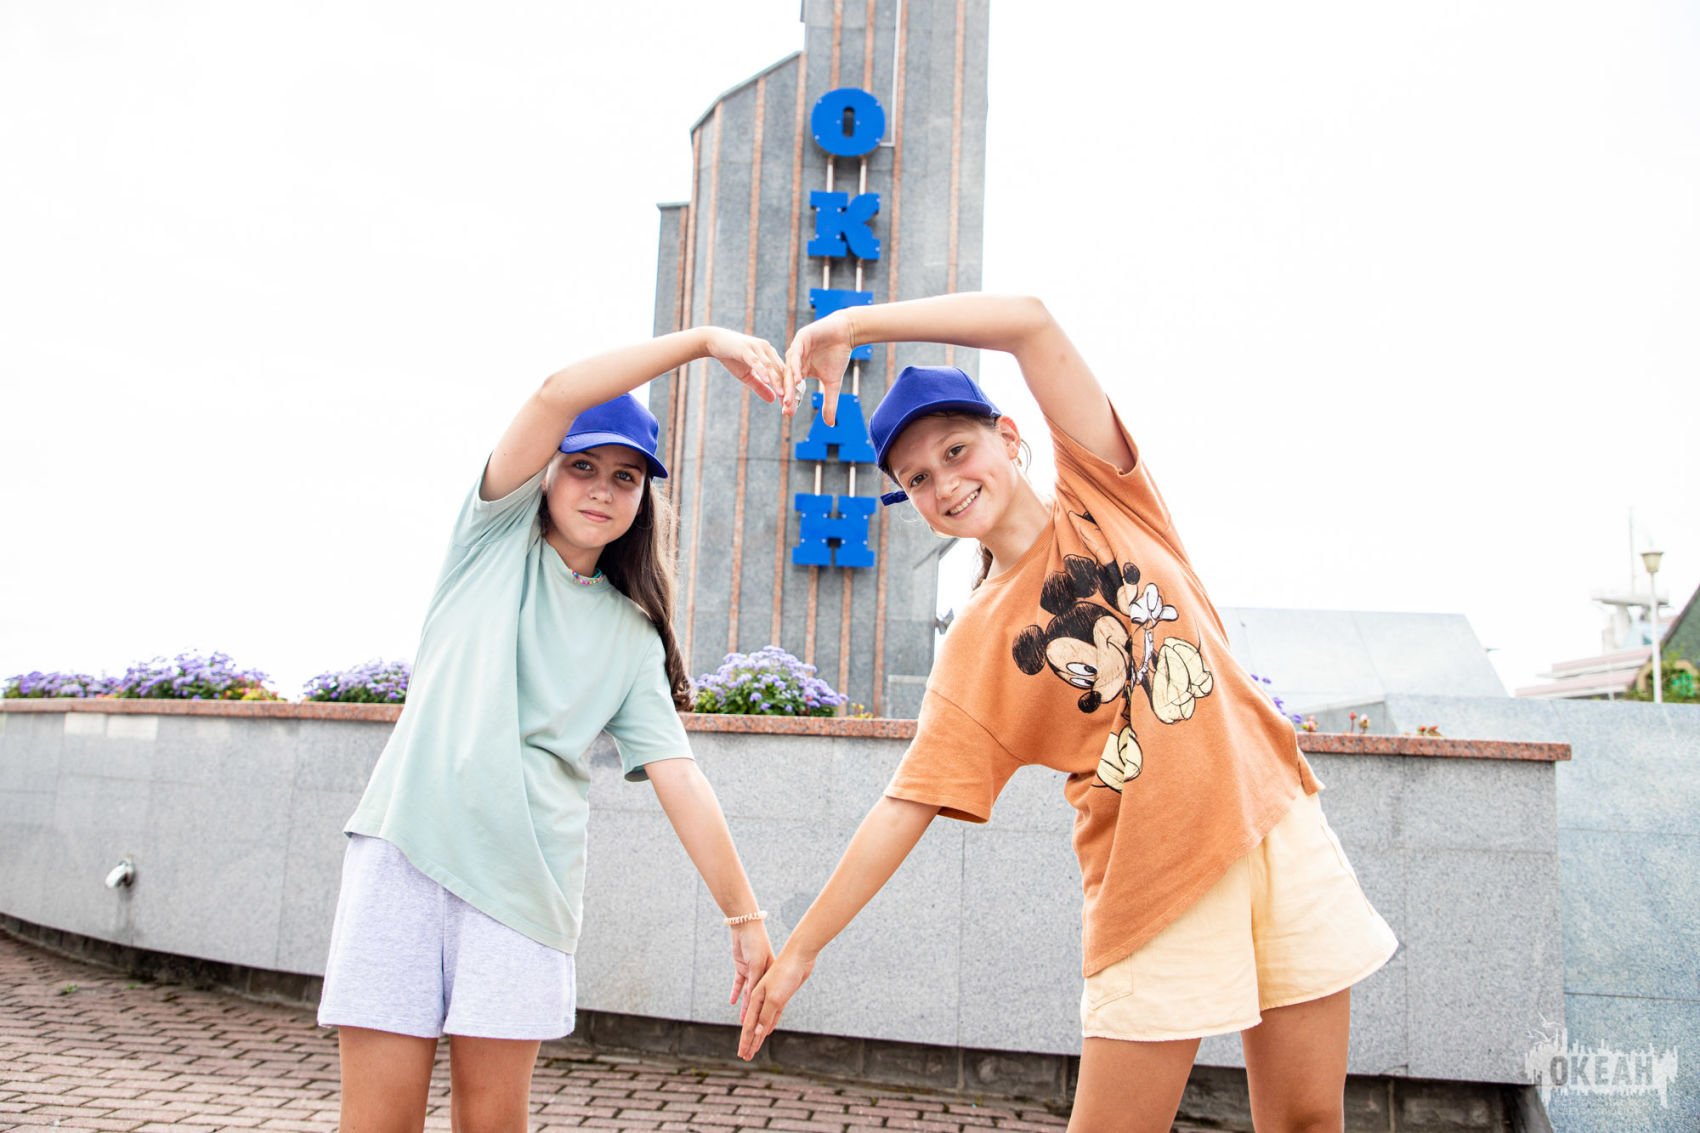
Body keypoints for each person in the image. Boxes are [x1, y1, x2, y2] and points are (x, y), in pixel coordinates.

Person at [742, 293, 1398, 1133]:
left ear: (1008, 437)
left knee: (1308, 1120)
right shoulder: (978, 640)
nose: (946, 483)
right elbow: (906, 802)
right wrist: (800, 950)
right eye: (919, 479)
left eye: (956, 450)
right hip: (1153, 877)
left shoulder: (1106, 494)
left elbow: (1029, 321)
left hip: (1275, 820)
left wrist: (854, 326)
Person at [317, 328, 792, 1133]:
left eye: (625, 477)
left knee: (492, 1121)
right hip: (402, 857)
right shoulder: (489, 539)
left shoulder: (633, 635)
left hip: (523, 893)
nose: (602, 489)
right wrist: (704, 342)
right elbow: (553, 394)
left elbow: (680, 777)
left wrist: (746, 920)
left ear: (643, 498)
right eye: (583, 466)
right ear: (546, 474)